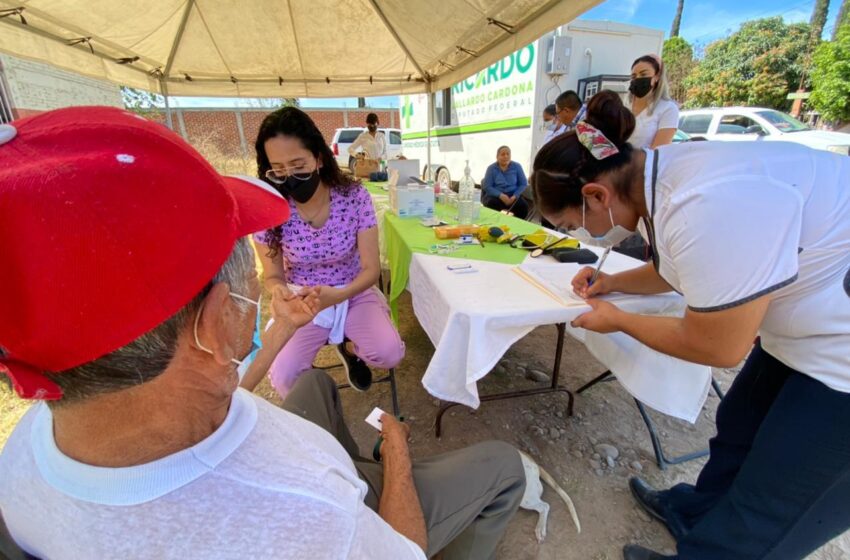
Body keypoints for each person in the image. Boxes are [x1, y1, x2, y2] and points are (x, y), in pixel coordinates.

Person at [0, 107, 527, 560]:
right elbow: (400, 548)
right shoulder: (310, 510)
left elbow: (222, 392)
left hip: (321, 335)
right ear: (214, 321)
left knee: (315, 386)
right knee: (503, 466)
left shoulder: (20, 464)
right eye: (242, 273)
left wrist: (282, 328)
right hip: (359, 515)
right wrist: (398, 456)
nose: (256, 279)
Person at [531, 90, 850, 560]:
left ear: (594, 194)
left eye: (574, 223)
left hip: (840, 352)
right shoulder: (656, 176)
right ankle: (697, 513)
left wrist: (617, 319)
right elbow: (685, 267)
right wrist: (613, 283)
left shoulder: (706, 200)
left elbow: (718, 347)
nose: (583, 235)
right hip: (809, 329)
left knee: (780, 493)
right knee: (739, 427)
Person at [251, 107, 405, 397]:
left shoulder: (354, 196)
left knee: (388, 353)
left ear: (319, 157)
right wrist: (279, 291)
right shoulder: (270, 208)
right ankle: (321, 402)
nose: (290, 177)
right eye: (279, 170)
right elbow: (272, 275)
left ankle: (349, 348)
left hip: (353, 289)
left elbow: (371, 269)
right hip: (302, 299)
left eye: (298, 165)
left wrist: (337, 295)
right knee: (286, 378)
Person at [627, 54, 678, 149]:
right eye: (634, 76)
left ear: (657, 77)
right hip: (615, 162)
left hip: (643, 163)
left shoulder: (668, 109)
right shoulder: (624, 106)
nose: (638, 78)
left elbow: (658, 151)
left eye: (643, 74)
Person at [481, 145, 529, 219]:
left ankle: (516, 226)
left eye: (508, 154)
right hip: (496, 196)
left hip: (513, 196)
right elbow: (487, 186)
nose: (506, 156)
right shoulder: (491, 168)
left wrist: (515, 196)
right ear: (497, 156)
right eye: (503, 154)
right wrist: (501, 195)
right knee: (491, 204)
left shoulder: (517, 166)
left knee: (523, 206)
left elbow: (523, 183)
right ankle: (494, 225)